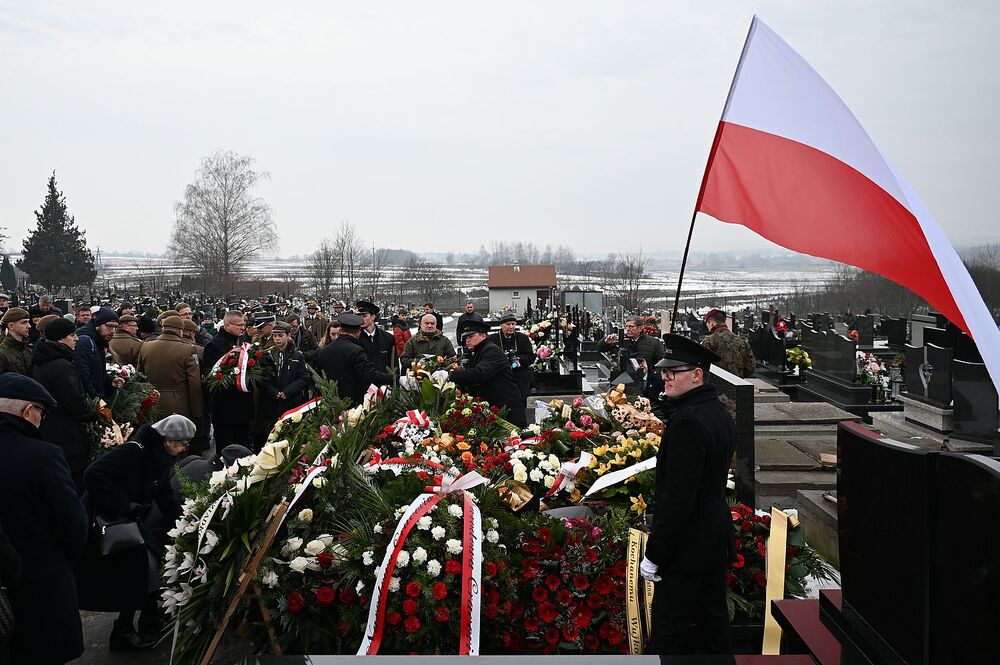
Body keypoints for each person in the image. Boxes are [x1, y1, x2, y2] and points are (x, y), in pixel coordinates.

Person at [641, 334, 736, 655]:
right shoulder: (715, 411)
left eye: (673, 372)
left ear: (697, 374)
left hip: (687, 545)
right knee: (713, 626)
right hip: (711, 537)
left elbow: (678, 500)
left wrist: (655, 554)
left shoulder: (689, 422)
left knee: (669, 629)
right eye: (663, 371)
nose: (664, 377)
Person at [77, 414, 192, 652]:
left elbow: (164, 493)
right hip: (108, 521)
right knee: (136, 569)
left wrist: (186, 522)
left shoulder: (161, 457)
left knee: (153, 561)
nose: (184, 449)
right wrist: (125, 504)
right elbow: (93, 475)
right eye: (182, 443)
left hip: (127, 519)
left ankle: (148, 620)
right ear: (167, 440)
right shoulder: (135, 452)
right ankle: (123, 633)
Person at [0, 373, 88, 665]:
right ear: (28, 412)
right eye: (42, 412)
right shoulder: (43, 455)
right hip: (39, 579)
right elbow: (73, 524)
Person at [33, 318, 100, 492]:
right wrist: (95, 413)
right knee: (75, 481)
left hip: (51, 429)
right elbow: (75, 405)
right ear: (60, 339)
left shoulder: (44, 360)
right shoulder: (62, 366)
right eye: (72, 335)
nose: (76, 339)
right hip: (67, 434)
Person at [137, 315, 205, 454]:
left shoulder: (146, 346)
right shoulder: (187, 349)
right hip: (179, 403)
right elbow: (194, 383)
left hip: (152, 402)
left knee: (155, 444)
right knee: (177, 446)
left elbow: (139, 378)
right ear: (181, 331)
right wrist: (197, 412)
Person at [449, 320, 527, 427]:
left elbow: (479, 374)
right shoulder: (477, 352)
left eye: (471, 336)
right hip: (493, 411)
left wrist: (451, 375)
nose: (467, 340)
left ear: (483, 336)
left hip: (507, 413)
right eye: (466, 337)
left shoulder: (492, 350)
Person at [253, 321, 311, 448]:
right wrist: (273, 392)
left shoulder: (297, 355)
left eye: (280, 335)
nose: (277, 339)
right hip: (270, 404)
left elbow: (303, 377)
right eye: (275, 336)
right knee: (270, 439)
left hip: (290, 404)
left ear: (288, 335)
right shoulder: (266, 355)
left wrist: (287, 392)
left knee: (288, 438)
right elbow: (260, 379)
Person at [313, 312, 392, 406]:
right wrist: (396, 378)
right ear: (358, 332)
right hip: (352, 405)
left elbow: (317, 377)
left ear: (341, 330)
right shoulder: (356, 351)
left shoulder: (323, 351)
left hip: (329, 404)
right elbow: (369, 375)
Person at [203, 310, 254, 450]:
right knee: (226, 451)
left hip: (243, 409)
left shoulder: (242, 342)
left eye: (243, 324)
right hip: (226, 411)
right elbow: (211, 379)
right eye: (239, 325)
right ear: (227, 325)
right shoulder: (214, 346)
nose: (243, 328)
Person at [487, 312, 534, 406]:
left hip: (519, 380)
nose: (511, 326)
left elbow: (531, 357)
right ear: (501, 325)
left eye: (513, 324)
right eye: (508, 324)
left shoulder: (522, 338)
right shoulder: (492, 339)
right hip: (500, 381)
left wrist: (518, 359)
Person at [75, 307, 121, 399]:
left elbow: (96, 371)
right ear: (98, 325)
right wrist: (96, 401)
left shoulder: (98, 340)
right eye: (109, 326)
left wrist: (110, 380)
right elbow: (83, 376)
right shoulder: (84, 341)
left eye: (115, 327)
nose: (113, 331)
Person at [701, 308, 756, 378]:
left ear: (711, 322)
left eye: (707, 325)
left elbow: (703, 367)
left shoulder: (709, 341)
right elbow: (750, 367)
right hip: (738, 384)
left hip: (716, 385)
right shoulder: (742, 341)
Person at [597, 315, 665, 367]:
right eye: (626, 326)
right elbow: (600, 349)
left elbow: (660, 361)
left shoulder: (653, 343)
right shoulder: (620, 340)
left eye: (631, 326)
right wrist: (605, 342)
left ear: (640, 328)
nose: (627, 329)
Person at [355, 300, 397, 372]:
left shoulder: (388, 338)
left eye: (364, 316)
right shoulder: (355, 338)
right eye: (359, 316)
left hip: (384, 381)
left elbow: (394, 364)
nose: (361, 319)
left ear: (373, 317)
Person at [0, 308, 33, 376]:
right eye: (24, 322)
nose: (29, 326)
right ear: (11, 326)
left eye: (28, 322)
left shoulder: (28, 349)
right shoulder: (2, 353)